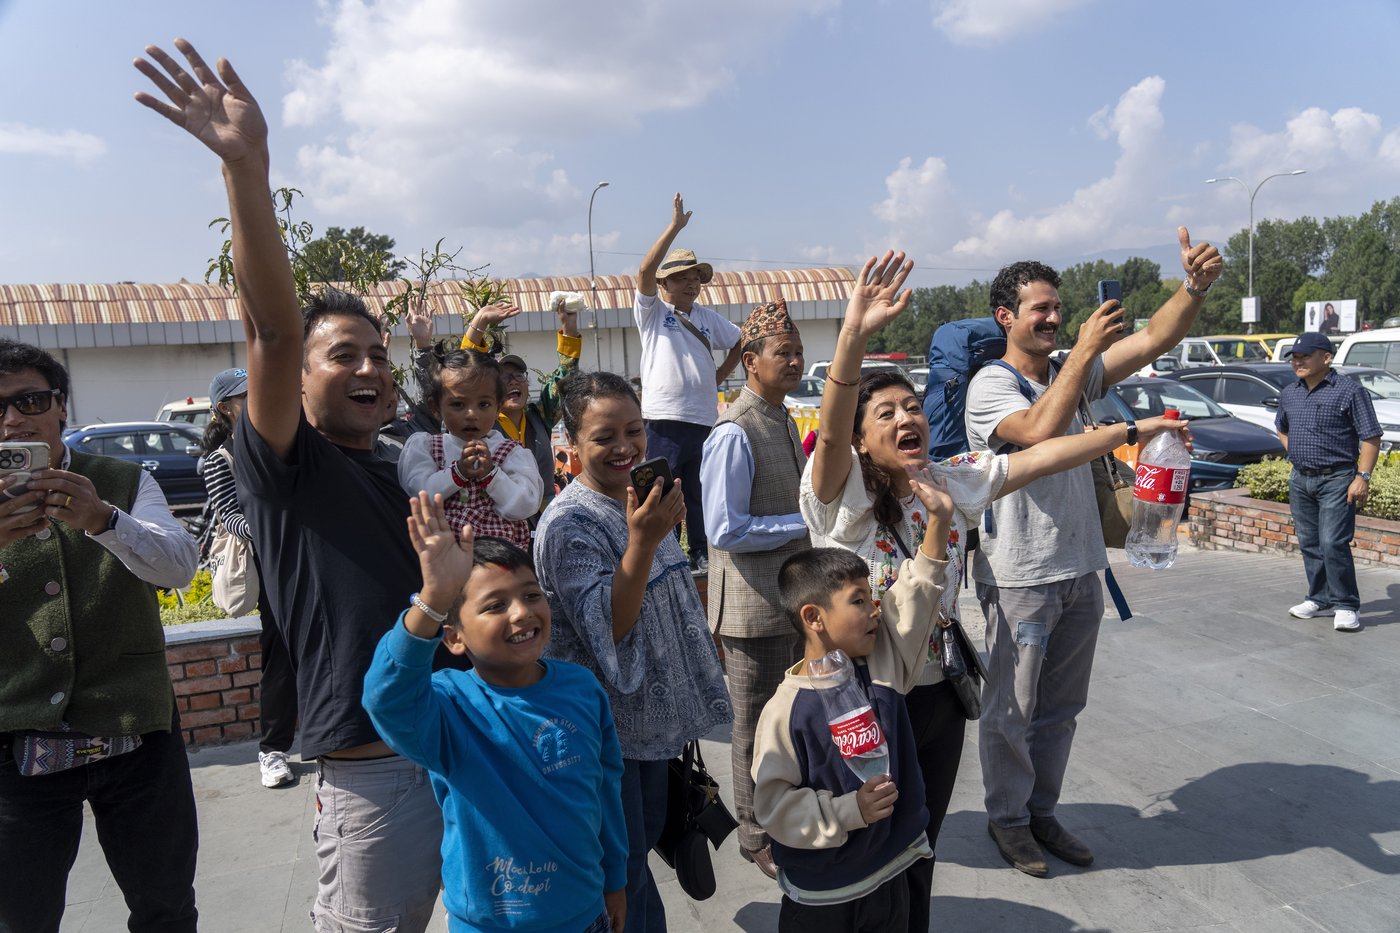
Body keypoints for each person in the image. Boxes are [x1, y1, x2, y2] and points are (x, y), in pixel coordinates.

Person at [134, 40, 448, 930]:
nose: (369, 368)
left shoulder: (396, 463)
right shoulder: (285, 467)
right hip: (374, 772)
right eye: (342, 353)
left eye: (378, 355)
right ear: (300, 381)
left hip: (455, 744)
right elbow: (273, 324)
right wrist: (248, 168)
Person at [803, 252, 1189, 925]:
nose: (905, 418)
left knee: (919, 837)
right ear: (862, 442)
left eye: (911, 406)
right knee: (862, 839)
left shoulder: (951, 478)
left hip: (935, 693)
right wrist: (852, 337)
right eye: (885, 412)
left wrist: (1130, 431)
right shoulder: (846, 495)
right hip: (861, 693)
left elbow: (1040, 455)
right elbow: (833, 426)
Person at [963, 228, 1222, 877]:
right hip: (1020, 574)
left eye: (1058, 307)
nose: (1053, 318)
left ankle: (1042, 810)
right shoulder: (989, 388)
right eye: (1039, 309)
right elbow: (1041, 429)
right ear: (1006, 317)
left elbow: (1156, 337)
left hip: (1082, 570)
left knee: (1061, 710)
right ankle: (1009, 819)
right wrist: (1081, 351)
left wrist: (1192, 287)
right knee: (1010, 709)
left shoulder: (1072, 372)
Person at [0, 338, 200, 932]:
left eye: (29, 400)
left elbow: (180, 565)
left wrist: (104, 520)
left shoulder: (119, 478)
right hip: (17, 742)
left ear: (61, 405)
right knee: (22, 919)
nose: (12, 418)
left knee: (166, 908)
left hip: (138, 732)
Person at [363, 495, 628, 933]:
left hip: (584, 914)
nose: (521, 612)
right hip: (488, 924)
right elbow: (386, 699)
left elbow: (605, 790)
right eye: (494, 605)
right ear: (453, 638)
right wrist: (432, 599)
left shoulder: (581, 687)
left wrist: (615, 878)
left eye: (530, 595)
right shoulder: (449, 706)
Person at [535, 371, 732, 933]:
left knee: (638, 862)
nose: (624, 447)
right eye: (604, 437)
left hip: (653, 731)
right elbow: (611, 627)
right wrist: (643, 541)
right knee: (618, 874)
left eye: (634, 430)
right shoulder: (570, 523)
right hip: (606, 738)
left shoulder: (641, 498)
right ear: (570, 444)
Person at [752, 537, 950, 931]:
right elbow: (773, 806)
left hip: (892, 872)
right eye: (858, 601)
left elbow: (912, 599)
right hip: (825, 895)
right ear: (814, 617)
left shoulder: (880, 666)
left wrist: (939, 523)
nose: (875, 608)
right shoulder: (786, 710)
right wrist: (848, 812)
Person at [699, 298, 810, 879]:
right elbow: (725, 528)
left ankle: (782, 811)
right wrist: (805, 524)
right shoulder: (734, 431)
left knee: (786, 720)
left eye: (797, 351)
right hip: (750, 608)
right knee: (753, 724)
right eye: (782, 353)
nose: (794, 361)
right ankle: (754, 833)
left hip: (784, 602)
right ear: (750, 361)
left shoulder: (783, 417)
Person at [635, 194, 744, 575]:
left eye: (696, 277)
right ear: (666, 282)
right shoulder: (653, 311)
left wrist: (719, 376)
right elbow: (645, 271)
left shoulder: (708, 317)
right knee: (662, 490)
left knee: (699, 491)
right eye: (682, 277)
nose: (691, 284)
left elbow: (740, 341)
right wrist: (675, 228)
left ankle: (699, 551)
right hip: (662, 416)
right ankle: (666, 555)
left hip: (702, 417)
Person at [200, 366, 297, 789]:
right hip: (271, 566)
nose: (258, 399)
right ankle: (272, 750)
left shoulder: (284, 439)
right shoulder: (219, 459)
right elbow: (232, 518)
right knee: (280, 658)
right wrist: (278, 529)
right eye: (246, 396)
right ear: (225, 408)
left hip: (307, 559)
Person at [1276, 332, 1381, 632]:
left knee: (1333, 542)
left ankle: (1346, 604)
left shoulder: (1350, 391)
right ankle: (1319, 599)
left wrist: (1362, 477)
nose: (1298, 362)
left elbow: (1371, 436)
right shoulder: (1290, 393)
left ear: (1326, 357)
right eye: (1294, 357)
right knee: (1310, 542)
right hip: (1301, 479)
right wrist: (1295, 451)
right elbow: (1282, 429)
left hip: (1337, 478)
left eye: (1305, 356)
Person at [398, 349, 542, 550]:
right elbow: (420, 496)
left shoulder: (510, 452)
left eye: (483, 404)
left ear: (498, 407)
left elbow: (525, 505)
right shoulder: (427, 448)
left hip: (500, 565)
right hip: (444, 562)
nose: (471, 414)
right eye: (458, 404)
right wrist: (457, 474)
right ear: (435, 407)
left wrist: (492, 476)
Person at [457, 294, 583, 520]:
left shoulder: (540, 416)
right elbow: (468, 373)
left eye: (519, 376)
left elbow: (565, 378)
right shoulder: (482, 424)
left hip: (545, 518)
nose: (513, 381)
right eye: (505, 378)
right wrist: (480, 323)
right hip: (499, 519)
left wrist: (569, 328)